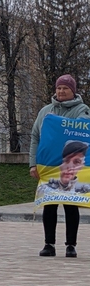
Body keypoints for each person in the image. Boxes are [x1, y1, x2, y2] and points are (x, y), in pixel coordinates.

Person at [30, 74, 90, 258]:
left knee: (71, 205)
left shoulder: (82, 110)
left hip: (71, 168)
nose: (61, 91)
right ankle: (49, 244)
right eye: (59, 88)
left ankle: (71, 245)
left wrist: (56, 125)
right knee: (50, 205)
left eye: (65, 88)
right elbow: (35, 137)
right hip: (48, 167)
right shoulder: (45, 112)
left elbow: (83, 128)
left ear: (73, 90)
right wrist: (33, 164)